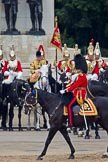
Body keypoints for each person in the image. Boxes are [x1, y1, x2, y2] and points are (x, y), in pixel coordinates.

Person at [60, 53, 88, 127]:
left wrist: (66, 91)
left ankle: (70, 123)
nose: (76, 69)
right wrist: (66, 88)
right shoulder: (79, 76)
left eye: (78, 68)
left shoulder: (82, 77)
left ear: (81, 69)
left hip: (80, 95)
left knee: (69, 105)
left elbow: (75, 85)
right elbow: (72, 84)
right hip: (76, 93)